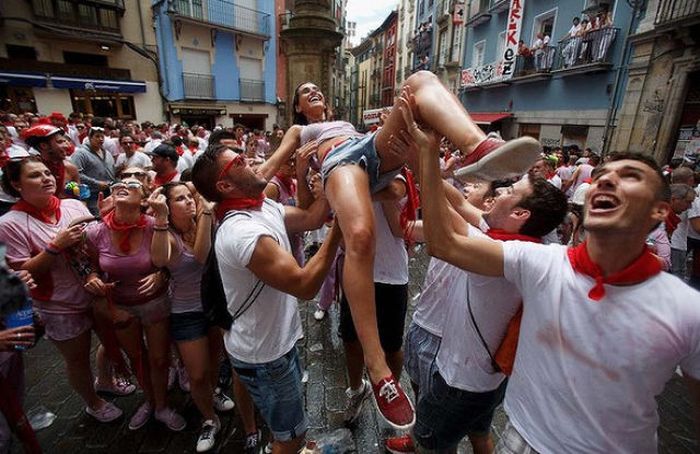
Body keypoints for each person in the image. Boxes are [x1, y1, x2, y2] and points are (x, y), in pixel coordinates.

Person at [412, 98, 700, 453]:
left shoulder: (689, 310)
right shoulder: (541, 262)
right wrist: (426, 155)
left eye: (630, 176)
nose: (607, 181)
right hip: (517, 441)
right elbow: (444, 244)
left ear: (660, 210)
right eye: (601, 176)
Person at [277, 71, 541, 429]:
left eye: (316, 88)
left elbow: (399, 192)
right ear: (297, 107)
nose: (314, 92)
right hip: (339, 166)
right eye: (305, 92)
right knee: (359, 234)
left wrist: (404, 158)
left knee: (418, 81)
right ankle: (376, 368)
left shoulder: (348, 124)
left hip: (367, 148)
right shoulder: (299, 134)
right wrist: (296, 167)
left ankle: (479, 147)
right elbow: (310, 208)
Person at [190, 143, 341, 454]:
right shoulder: (242, 232)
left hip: (278, 344)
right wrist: (341, 228)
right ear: (225, 185)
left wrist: (326, 194)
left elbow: (311, 219)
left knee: (290, 425)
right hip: (265, 358)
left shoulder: (263, 207)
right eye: (241, 162)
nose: (254, 162)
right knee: (288, 437)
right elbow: (304, 285)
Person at [0, 157, 123, 425]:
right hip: (59, 305)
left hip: (94, 293)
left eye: (47, 173)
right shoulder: (10, 223)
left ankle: (105, 380)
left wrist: (105, 222)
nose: (46, 178)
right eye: (34, 176)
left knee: (110, 341)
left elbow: (95, 248)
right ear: (15, 184)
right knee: (77, 359)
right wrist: (55, 246)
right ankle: (93, 403)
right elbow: (24, 274)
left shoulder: (72, 205)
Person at [84, 176, 186, 432]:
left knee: (160, 359)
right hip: (120, 308)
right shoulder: (95, 232)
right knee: (136, 358)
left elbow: (169, 263)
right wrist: (94, 279)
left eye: (132, 184)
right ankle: (149, 402)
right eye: (119, 182)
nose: (122, 185)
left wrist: (161, 274)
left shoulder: (154, 225)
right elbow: (92, 269)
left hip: (154, 303)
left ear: (143, 199)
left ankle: (162, 406)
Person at [149, 182, 234, 452]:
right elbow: (167, 259)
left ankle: (213, 396)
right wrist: (161, 219)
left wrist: (206, 216)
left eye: (189, 197)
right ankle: (210, 420)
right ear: (168, 205)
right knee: (196, 374)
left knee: (213, 363)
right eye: (180, 199)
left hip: (213, 306)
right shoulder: (167, 233)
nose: (187, 202)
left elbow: (208, 254)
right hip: (186, 312)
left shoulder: (204, 222)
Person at [22, 125, 80, 198]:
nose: (67, 146)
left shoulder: (70, 169)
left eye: (64, 141)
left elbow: (78, 196)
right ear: (44, 146)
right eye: (60, 142)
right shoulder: (29, 170)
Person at [71, 127, 115, 215]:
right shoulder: (80, 154)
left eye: (102, 136)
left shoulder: (107, 153)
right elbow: (76, 174)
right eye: (97, 136)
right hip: (92, 194)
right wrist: (96, 183)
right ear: (90, 138)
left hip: (109, 192)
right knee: (98, 217)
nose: (101, 139)